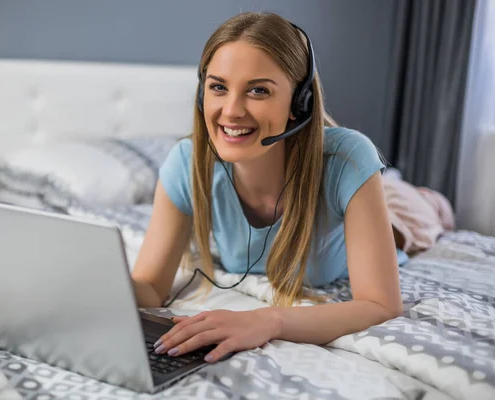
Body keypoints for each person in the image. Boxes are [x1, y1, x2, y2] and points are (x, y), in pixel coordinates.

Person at [131, 11, 403, 364]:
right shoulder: (187, 163)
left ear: (298, 103)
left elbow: (381, 305)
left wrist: (268, 320)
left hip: (395, 214)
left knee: (417, 215)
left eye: (258, 90)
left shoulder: (348, 158)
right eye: (218, 87)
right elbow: (150, 288)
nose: (231, 110)